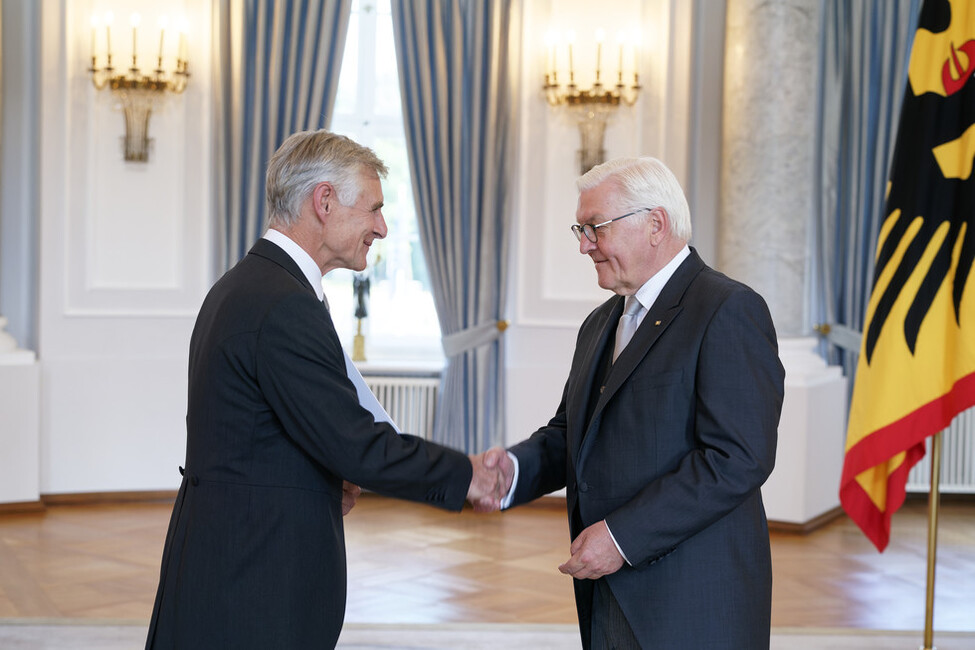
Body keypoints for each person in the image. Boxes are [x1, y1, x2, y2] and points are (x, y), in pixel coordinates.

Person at [145, 129, 506, 650]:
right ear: (324, 201)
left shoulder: (248, 285)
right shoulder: (282, 304)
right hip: (252, 581)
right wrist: (466, 475)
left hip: (232, 559)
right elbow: (356, 443)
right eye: (374, 209)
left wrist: (327, 474)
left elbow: (265, 433)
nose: (382, 228)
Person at [485, 156, 784, 648]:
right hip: (607, 588)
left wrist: (622, 536)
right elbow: (572, 434)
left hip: (690, 600)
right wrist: (511, 472)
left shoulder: (727, 309)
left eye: (595, 227)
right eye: (580, 229)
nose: (584, 245)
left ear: (655, 224)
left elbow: (737, 459)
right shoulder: (600, 323)